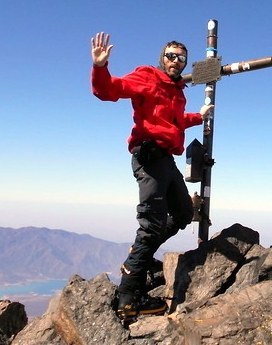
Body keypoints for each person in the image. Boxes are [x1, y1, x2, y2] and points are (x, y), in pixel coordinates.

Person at [90, 31, 213, 320]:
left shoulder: (176, 90)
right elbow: (109, 90)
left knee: (183, 214)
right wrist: (99, 67)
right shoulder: (147, 77)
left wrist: (199, 115)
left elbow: (176, 121)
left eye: (181, 58)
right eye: (171, 56)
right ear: (162, 58)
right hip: (149, 157)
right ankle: (128, 299)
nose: (176, 61)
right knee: (152, 226)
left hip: (167, 159)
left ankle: (140, 255)